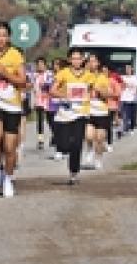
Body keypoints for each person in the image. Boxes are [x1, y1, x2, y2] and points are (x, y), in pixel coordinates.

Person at [0, 22, 27, 198]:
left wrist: (5, 73)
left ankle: (8, 177)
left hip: (12, 106)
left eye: (4, 35)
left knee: (9, 148)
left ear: (8, 38)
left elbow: (22, 81)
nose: (0, 39)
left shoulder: (15, 55)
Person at [51, 48, 101, 185]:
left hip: (81, 113)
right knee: (64, 145)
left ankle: (74, 172)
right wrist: (64, 95)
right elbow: (53, 90)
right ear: (69, 60)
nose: (76, 61)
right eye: (74, 58)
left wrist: (90, 95)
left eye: (79, 58)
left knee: (77, 143)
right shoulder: (63, 73)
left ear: (82, 60)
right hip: (65, 113)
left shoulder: (89, 75)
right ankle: (63, 149)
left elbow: (92, 91)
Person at [83, 54, 113, 170]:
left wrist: (100, 91)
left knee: (99, 139)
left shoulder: (102, 77)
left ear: (98, 63)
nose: (91, 63)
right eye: (89, 61)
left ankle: (98, 158)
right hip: (88, 110)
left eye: (94, 61)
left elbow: (110, 93)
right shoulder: (84, 76)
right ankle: (90, 149)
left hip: (101, 111)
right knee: (89, 136)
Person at [32, 58, 53, 151]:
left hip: (48, 100)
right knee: (40, 120)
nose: (40, 66)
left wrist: (45, 85)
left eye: (42, 64)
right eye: (38, 64)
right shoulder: (34, 75)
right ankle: (40, 140)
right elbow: (32, 86)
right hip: (39, 99)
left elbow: (51, 85)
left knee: (50, 119)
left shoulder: (49, 74)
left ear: (45, 65)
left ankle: (54, 135)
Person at [118, 62, 137, 137]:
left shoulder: (135, 78)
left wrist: (135, 92)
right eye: (126, 69)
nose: (128, 70)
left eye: (129, 69)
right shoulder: (122, 78)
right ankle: (125, 129)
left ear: (131, 70)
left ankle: (132, 128)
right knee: (125, 115)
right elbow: (119, 86)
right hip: (124, 99)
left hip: (133, 99)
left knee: (133, 116)